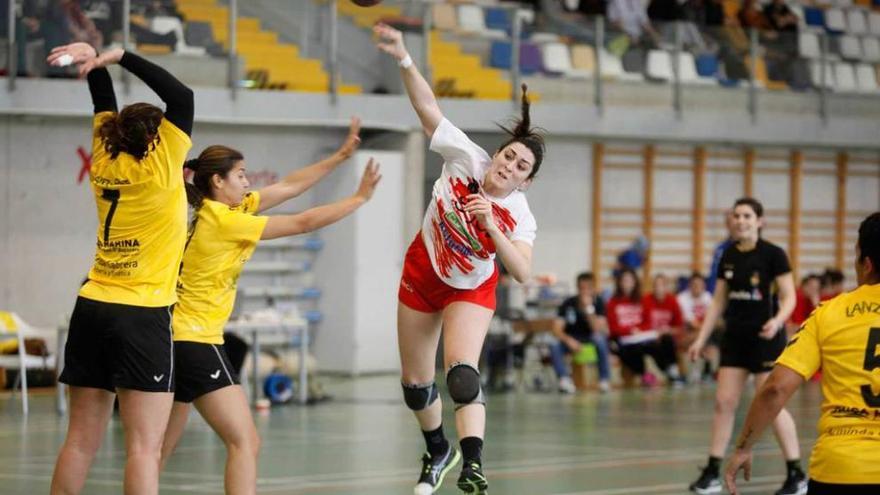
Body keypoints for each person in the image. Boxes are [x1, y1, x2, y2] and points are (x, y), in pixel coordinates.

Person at [158, 122, 381, 494]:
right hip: (197, 342)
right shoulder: (226, 221)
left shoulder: (222, 209)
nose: (247, 182)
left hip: (176, 339)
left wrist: (340, 157)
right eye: (241, 175)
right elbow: (303, 221)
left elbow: (291, 186)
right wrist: (357, 199)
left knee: (159, 450)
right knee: (245, 442)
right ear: (217, 182)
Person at [373, 23, 542, 495]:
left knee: (462, 372)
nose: (508, 166)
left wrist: (491, 226)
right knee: (415, 384)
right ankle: (437, 450)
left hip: (471, 286)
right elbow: (426, 107)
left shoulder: (518, 215)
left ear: (525, 182)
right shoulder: (465, 157)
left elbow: (523, 271)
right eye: (508, 157)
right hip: (423, 269)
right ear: (496, 155)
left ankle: (473, 466)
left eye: (520, 168)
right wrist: (405, 57)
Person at [46, 42, 194, 495]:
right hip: (142, 314)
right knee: (144, 448)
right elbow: (182, 97)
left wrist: (95, 63)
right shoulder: (162, 167)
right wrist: (120, 55)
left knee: (79, 442)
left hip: (92, 305)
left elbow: (103, 104)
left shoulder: (105, 161)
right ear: (157, 139)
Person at [726, 212, 880, 495]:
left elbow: (775, 389)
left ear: (867, 264)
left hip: (841, 469)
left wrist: (743, 447)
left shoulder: (829, 313)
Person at [687, 197, 804, 495]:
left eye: (747, 216)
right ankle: (712, 471)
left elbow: (790, 296)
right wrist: (701, 338)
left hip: (765, 339)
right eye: (737, 216)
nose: (741, 220)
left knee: (772, 405)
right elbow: (718, 301)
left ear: (759, 221)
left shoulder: (774, 255)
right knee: (723, 403)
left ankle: (796, 474)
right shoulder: (728, 255)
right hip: (735, 339)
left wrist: (778, 321)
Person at [550, 272, 612, 394]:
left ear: (593, 288)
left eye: (587, 288)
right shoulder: (568, 303)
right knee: (554, 343)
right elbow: (556, 329)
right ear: (577, 288)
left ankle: (604, 380)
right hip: (572, 338)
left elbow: (598, 329)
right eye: (581, 288)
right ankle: (564, 379)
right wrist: (569, 340)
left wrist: (589, 309)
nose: (584, 292)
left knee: (601, 339)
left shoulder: (599, 303)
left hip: (591, 337)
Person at [607, 268, 667, 387]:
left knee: (659, 343)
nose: (627, 284)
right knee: (632, 350)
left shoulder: (642, 300)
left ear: (635, 283)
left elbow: (648, 322)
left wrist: (638, 330)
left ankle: (667, 369)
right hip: (622, 339)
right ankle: (645, 375)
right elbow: (612, 328)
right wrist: (629, 330)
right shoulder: (613, 303)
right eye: (624, 281)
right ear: (619, 283)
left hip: (641, 336)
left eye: (630, 281)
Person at [641, 273, 686, 385]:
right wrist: (654, 333)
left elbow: (679, 327)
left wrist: (668, 330)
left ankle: (673, 371)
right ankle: (670, 372)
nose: (658, 289)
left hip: (667, 339)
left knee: (667, 339)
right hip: (650, 338)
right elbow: (641, 323)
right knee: (653, 346)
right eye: (656, 285)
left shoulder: (673, 301)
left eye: (661, 285)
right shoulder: (646, 300)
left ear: (666, 287)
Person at [677, 273, 717, 381]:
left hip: (704, 333)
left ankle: (709, 369)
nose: (697, 288)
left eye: (700, 285)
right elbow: (691, 323)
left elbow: (714, 318)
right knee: (705, 336)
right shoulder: (682, 299)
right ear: (689, 286)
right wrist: (706, 330)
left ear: (704, 285)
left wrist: (707, 329)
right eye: (695, 285)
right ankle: (706, 369)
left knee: (718, 329)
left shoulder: (707, 296)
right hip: (688, 333)